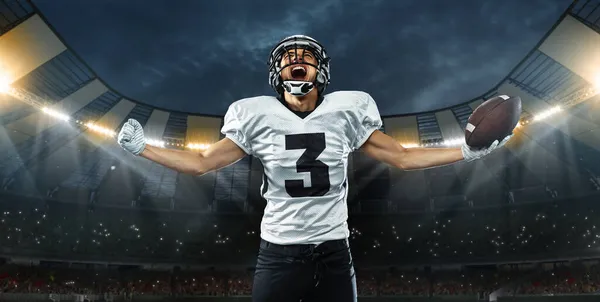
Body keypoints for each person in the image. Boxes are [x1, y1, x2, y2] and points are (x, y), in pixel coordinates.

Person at [117, 35, 512, 302]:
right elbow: (202, 162)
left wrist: (466, 152)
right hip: (279, 251)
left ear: (320, 69)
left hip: (333, 250)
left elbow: (402, 157)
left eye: (305, 57)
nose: (297, 62)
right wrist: (141, 148)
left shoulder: (348, 109)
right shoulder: (254, 114)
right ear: (278, 74)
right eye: (289, 59)